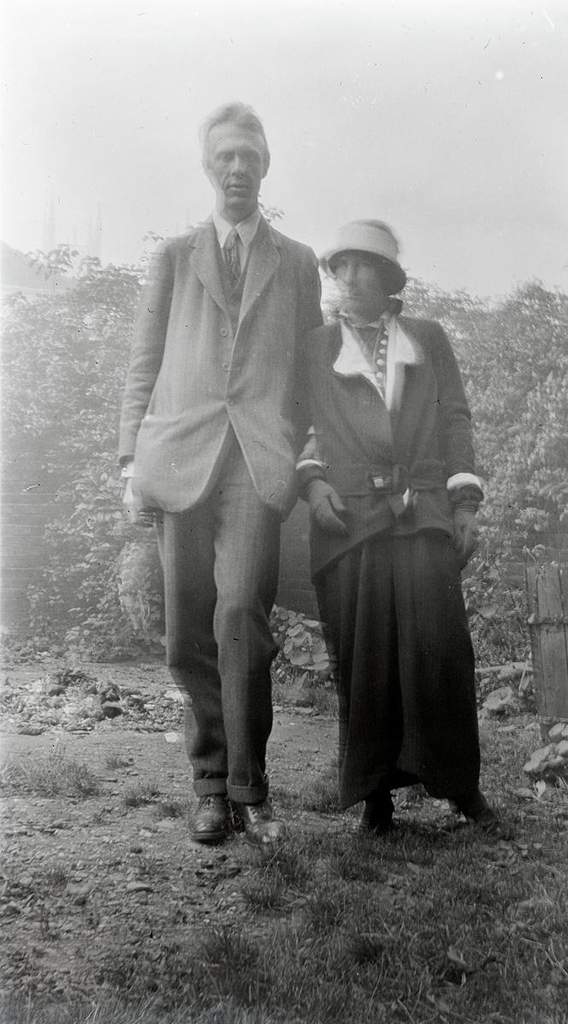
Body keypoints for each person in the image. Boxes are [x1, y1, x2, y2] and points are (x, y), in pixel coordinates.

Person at [119, 102, 322, 846]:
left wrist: (304, 455)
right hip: (177, 458)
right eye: (225, 158)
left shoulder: (296, 262)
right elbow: (144, 366)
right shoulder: (173, 257)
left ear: (264, 169)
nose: (238, 170)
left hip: (255, 464)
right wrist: (128, 461)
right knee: (183, 637)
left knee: (240, 615)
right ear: (209, 169)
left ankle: (249, 786)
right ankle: (208, 785)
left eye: (250, 158)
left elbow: (307, 371)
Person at [298, 219, 507, 837]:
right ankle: (375, 801)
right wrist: (313, 486)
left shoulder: (427, 338)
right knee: (364, 658)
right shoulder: (315, 348)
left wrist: (463, 504)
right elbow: (300, 426)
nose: (351, 278)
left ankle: (462, 790)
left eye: (366, 266)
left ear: (390, 279)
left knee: (440, 652)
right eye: (341, 267)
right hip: (350, 520)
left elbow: (456, 419)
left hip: (423, 515)